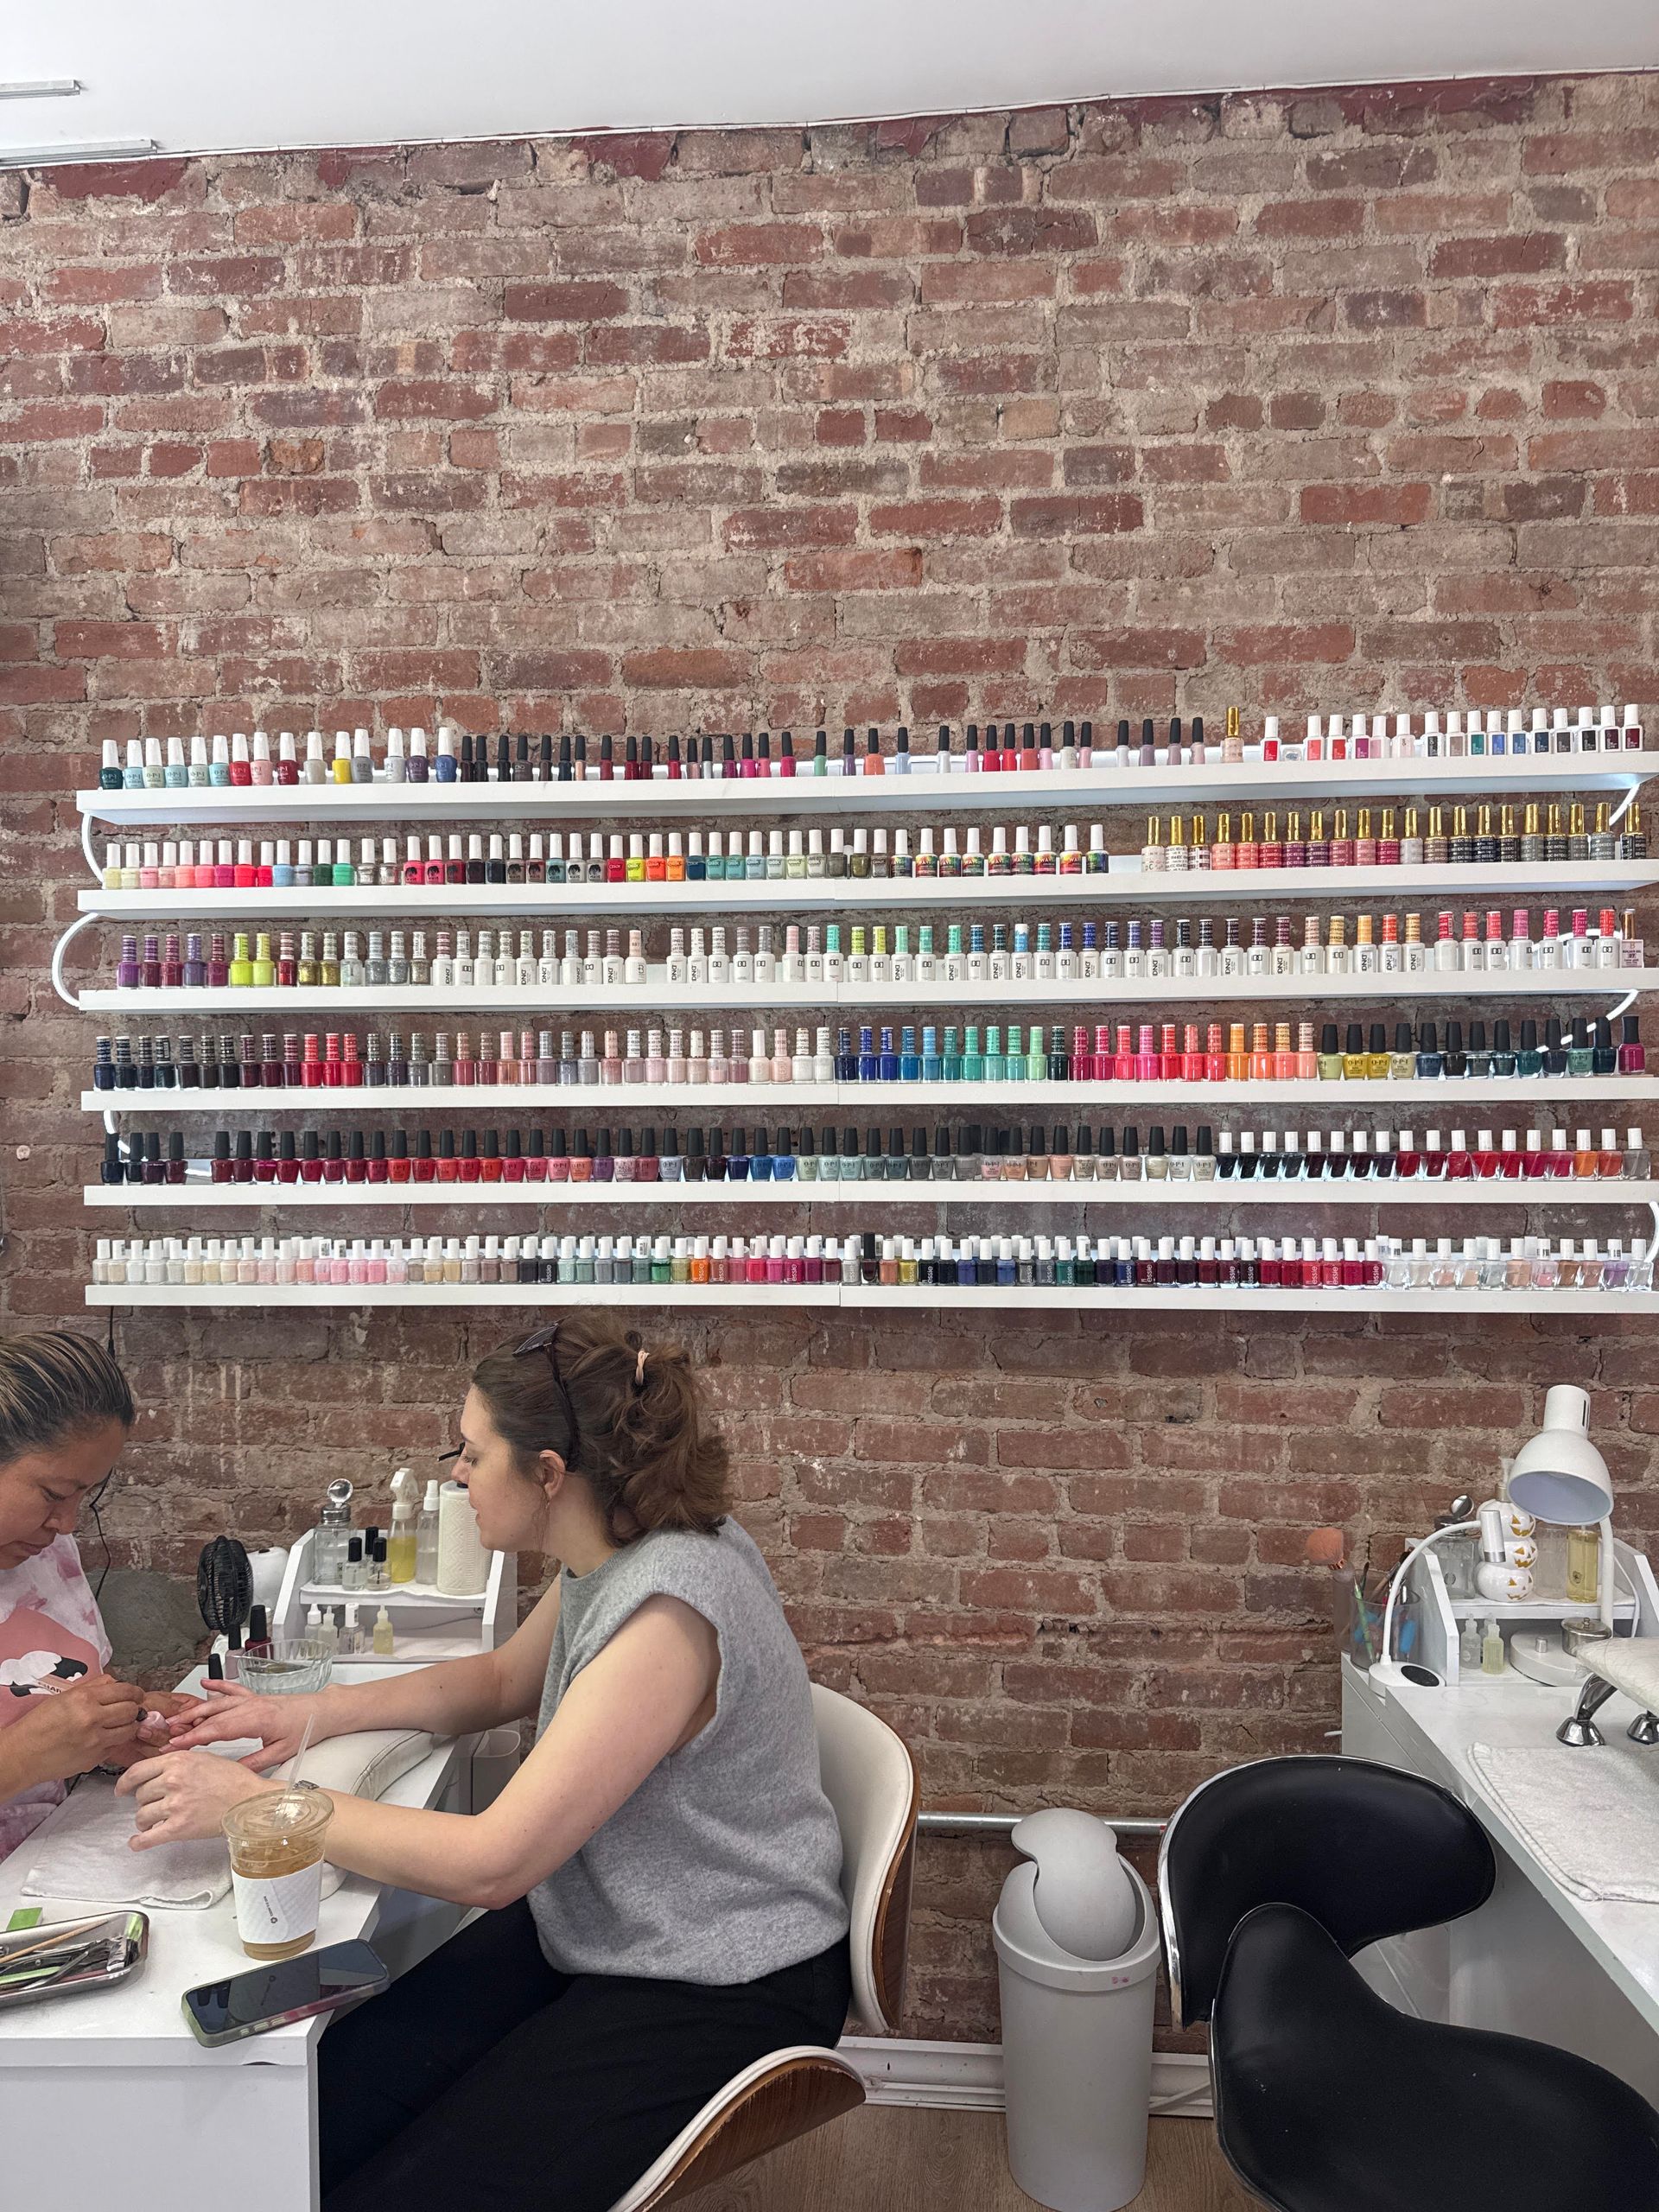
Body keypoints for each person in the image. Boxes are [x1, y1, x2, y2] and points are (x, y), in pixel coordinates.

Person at [126, 1313, 851, 2212]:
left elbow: (493, 1863)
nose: (457, 1476)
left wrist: (259, 1805)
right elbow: (505, 1677)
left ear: (548, 1473)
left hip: (721, 1973)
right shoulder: (617, 1543)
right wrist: (310, 1712)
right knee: (317, 2116)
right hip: (606, 1924)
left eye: (472, 1454)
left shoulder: (666, 1613)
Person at [0, 1331, 192, 1860]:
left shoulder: (42, 1553)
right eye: (54, 1494)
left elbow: (53, 1700)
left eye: (85, 1493)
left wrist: (112, 1731)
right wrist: (22, 1757)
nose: (67, 1523)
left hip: (43, 1859)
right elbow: (31, 1744)